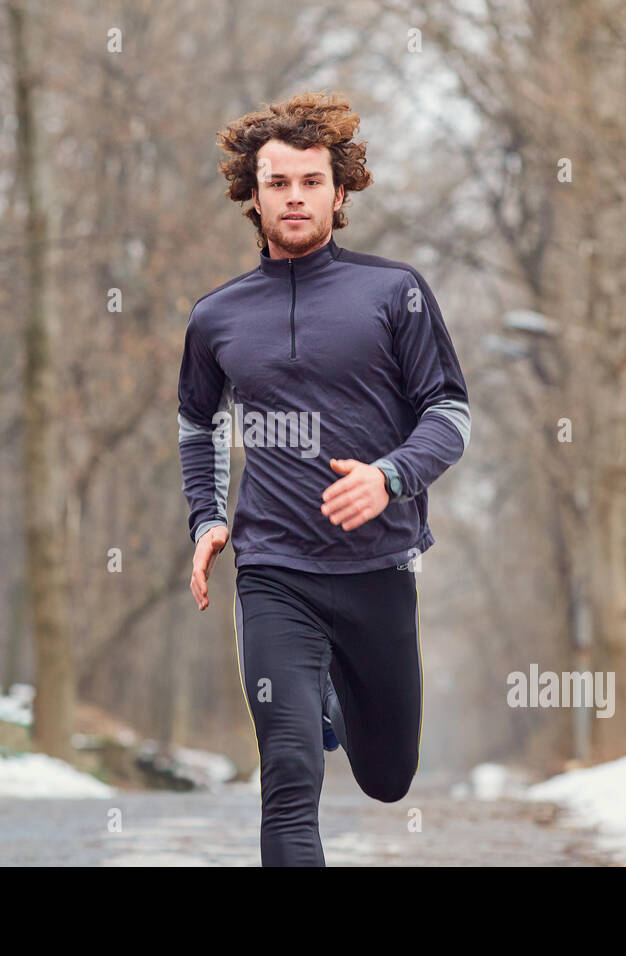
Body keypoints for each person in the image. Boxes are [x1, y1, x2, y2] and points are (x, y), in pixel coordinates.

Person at [176, 91, 471, 866]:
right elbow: (198, 423)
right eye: (279, 182)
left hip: (378, 567)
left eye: (311, 181)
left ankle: (339, 696)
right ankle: (309, 706)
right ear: (253, 194)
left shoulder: (394, 293)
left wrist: (391, 477)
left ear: (340, 194)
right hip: (274, 569)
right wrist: (207, 520)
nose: (295, 196)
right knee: (291, 770)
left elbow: (451, 412)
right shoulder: (217, 318)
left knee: (386, 777)